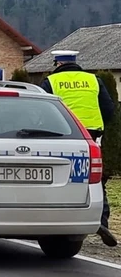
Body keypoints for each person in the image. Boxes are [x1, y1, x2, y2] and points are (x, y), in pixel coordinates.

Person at [40, 50, 117, 247]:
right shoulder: (94, 80)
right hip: (90, 136)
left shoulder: (52, 81)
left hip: (60, 135)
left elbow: (40, 109)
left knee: (58, 176)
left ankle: (60, 219)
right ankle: (101, 221)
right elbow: (109, 109)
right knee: (93, 177)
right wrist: (97, 129)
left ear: (57, 63)